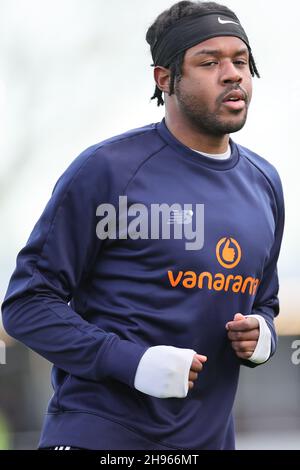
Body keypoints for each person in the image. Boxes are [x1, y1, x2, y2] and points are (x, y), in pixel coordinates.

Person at [1, 1, 284, 450]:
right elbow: (26, 305)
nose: (232, 74)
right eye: (209, 62)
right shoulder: (107, 171)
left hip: (211, 441)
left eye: (241, 60)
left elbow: (264, 300)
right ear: (165, 79)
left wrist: (263, 335)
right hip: (100, 437)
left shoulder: (265, 183)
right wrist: (131, 362)